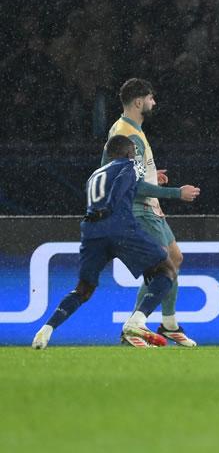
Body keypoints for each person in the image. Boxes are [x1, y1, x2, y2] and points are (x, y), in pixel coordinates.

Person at [32, 135, 199, 349]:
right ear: (130, 152)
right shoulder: (131, 164)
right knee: (167, 268)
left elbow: (114, 187)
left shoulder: (94, 175)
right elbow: (122, 183)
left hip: (91, 231)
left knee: (83, 290)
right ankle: (136, 322)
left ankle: (45, 330)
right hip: (118, 226)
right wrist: (111, 207)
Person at [105, 78, 202, 346]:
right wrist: (177, 193)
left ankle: (168, 323)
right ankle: (134, 324)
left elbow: (119, 170)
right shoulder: (129, 134)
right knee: (162, 267)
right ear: (139, 102)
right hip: (139, 209)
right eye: (150, 98)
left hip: (149, 207)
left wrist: (150, 174)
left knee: (174, 258)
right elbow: (132, 186)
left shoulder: (124, 127)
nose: (153, 103)